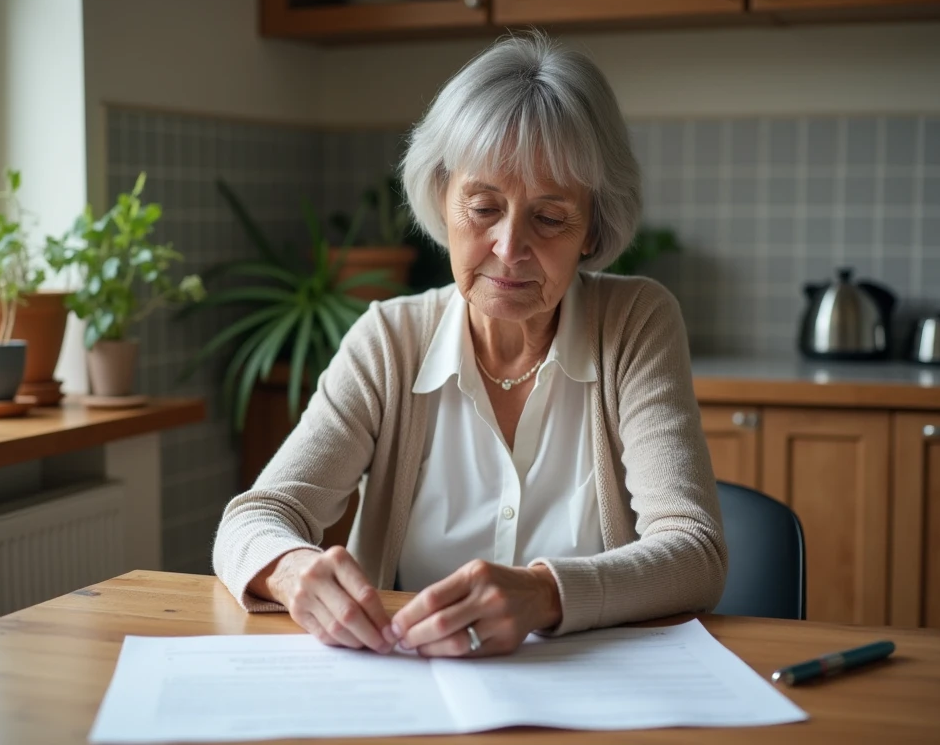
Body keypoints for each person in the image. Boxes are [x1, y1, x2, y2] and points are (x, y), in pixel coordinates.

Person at [213, 32, 726, 659]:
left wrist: (543, 593)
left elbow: (695, 552)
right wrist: (291, 568)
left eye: (550, 218)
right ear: (442, 198)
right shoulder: (390, 340)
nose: (509, 249)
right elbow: (255, 517)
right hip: (410, 682)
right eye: (483, 208)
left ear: (592, 229)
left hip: (591, 689)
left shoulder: (636, 324)